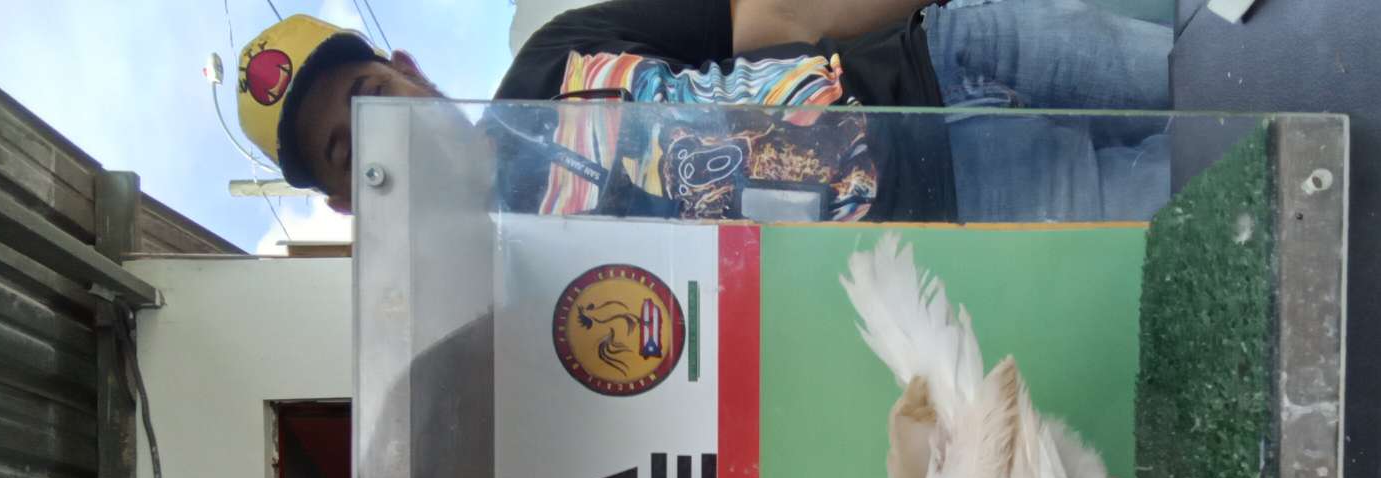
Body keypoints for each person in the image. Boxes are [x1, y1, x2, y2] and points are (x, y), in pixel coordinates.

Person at [238, 2, 1171, 223]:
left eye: (369, 96)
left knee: (1227, 61)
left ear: (406, 71)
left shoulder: (553, 54)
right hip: (973, 208)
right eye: (344, 150)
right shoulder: (516, 290)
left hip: (954, 55)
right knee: (1228, 199)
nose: (381, 134)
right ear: (348, 203)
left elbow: (772, 18)